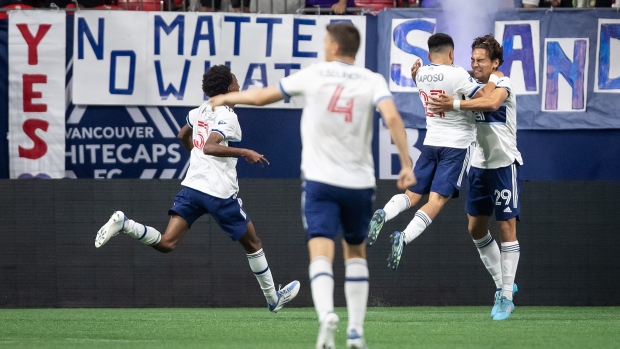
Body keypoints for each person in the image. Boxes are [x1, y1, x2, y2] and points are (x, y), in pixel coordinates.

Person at [209, 22, 415, 349]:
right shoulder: (372, 79)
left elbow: (262, 97)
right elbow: (392, 118)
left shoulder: (315, 74)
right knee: (356, 253)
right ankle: (357, 331)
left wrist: (226, 96)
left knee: (320, 250)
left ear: (333, 46)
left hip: (321, 181)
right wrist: (405, 164)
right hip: (359, 183)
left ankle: (327, 318)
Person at [94, 65, 300, 313]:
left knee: (167, 242)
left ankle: (125, 224)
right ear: (228, 88)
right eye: (235, 81)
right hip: (219, 192)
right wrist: (245, 152)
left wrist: (197, 158)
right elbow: (211, 147)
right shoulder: (229, 116)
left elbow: (183, 135)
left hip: (192, 186)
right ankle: (272, 299)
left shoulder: (201, 109)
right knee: (253, 243)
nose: (238, 84)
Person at [367, 33, 495, 271]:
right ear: (451, 53)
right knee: (436, 200)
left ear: (428, 55)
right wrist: (494, 79)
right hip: (456, 145)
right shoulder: (457, 73)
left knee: (412, 195)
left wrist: (417, 75)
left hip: (431, 142)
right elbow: (486, 98)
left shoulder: (421, 73)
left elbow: (432, 82)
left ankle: (384, 212)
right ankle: (403, 237)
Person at [426, 34, 522, 321]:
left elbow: (491, 104)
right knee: (475, 229)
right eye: (473, 59)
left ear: (495, 63)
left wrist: (454, 105)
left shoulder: (503, 83)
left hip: (504, 164)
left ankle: (506, 296)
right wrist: (420, 72)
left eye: (482, 60)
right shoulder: (467, 83)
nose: (475, 64)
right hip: (478, 164)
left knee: (506, 228)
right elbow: (440, 79)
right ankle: (503, 285)